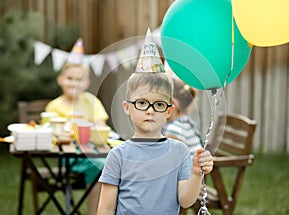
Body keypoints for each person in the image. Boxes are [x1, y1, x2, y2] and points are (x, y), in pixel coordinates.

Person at [97, 29, 213, 215]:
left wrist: (196, 174)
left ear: (169, 111)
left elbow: (185, 200)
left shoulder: (179, 151)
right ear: (127, 107)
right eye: (142, 102)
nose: (150, 110)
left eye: (158, 104)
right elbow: (106, 208)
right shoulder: (117, 156)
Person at [45, 39, 109, 215]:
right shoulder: (54, 106)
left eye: (79, 80)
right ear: (60, 80)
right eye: (70, 78)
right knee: (103, 167)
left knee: (105, 167)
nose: (74, 83)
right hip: (69, 157)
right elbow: (51, 135)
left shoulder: (92, 102)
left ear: (87, 83)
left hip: (93, 151)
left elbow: (101, 127)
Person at [163, 77, 204, 155]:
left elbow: (169, 162)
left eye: (159, 103)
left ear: (172, 104)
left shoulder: (174, 130)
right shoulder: (186, 122)